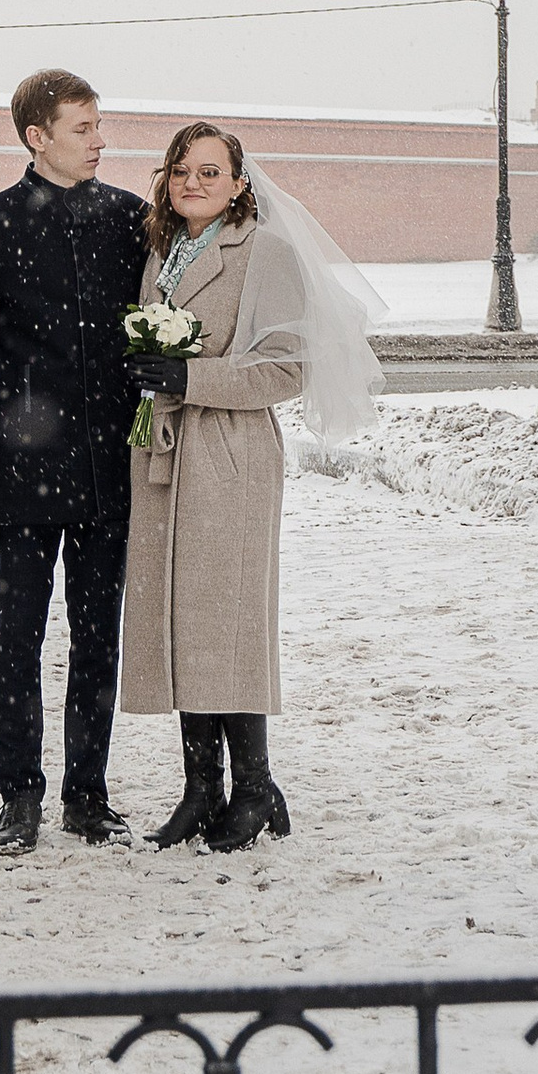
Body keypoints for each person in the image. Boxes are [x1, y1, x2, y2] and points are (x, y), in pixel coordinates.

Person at [120, 120, 386, 852]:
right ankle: (200, 788)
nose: (192, 185)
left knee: (227, 625)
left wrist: (189, 375)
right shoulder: (164, 250)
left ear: (240, 184)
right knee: (182, 626)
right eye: (181, 172)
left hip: (230, 452)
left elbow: (285, 366)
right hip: (163, 452)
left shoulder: (263, 251)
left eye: (210, 173)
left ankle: (257, 786)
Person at [0, 68, 150, 855]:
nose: (101, 141)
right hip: (19, 475)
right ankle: (19, 798)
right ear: (38, 137)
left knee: (97, 641)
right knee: (18, 638)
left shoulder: (131, 221)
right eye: (84, 129)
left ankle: (86, 799)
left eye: (100, 127)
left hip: (107, 472)